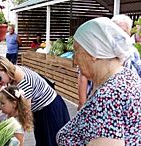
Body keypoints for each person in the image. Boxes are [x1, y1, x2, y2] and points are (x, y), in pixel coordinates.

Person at [56, 17, 141, 146]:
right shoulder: (126, 76)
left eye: (76, 51)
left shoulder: (109, 95)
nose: (74, 61)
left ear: (93, 51)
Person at [0, 56, 70, 146]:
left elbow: (23, 112)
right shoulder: (13, 72)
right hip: (40, 110)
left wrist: (3, 122)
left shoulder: (23, 83)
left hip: (50, 111)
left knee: (51, 142)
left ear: (6, 69)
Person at [77, 14, 141, 110]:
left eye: (123, 31)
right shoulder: (96, 50)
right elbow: (83, 75)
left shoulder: (132, 53)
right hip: (94, 101)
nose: (118, 34)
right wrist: (82, 103)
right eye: (115, 30)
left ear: (128, 33)